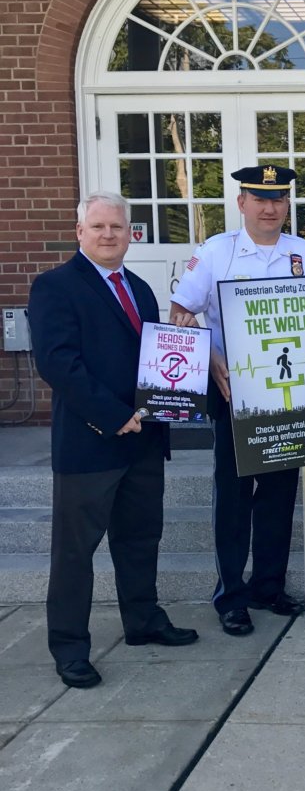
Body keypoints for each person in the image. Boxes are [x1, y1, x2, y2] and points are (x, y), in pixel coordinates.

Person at [28, 191, 198, 688]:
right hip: (91, 443)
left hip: (143, 441)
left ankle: (143, 620)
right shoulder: (55, 286)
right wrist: (114, 415)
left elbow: (154, 358)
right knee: (76, 553)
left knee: (141, 538)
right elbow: (59, 364)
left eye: (117, 228)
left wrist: (180, 383)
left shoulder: (140, 289)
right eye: (98, 227)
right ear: (80, 232)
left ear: (130, 234)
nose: (108, 235)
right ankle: (70, 647)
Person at [169, 165, 305, 636]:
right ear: (241, 204)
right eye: (259, 198)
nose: (269, 207)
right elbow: (179, 314)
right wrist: (212, 356)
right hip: (234, 393)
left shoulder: (303, 253)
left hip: (288, 391)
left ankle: (268, 586)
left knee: (279, 495)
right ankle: (231, 595)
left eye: (277, 199)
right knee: (234, 498)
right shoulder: (216, 253)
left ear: (287, 205)